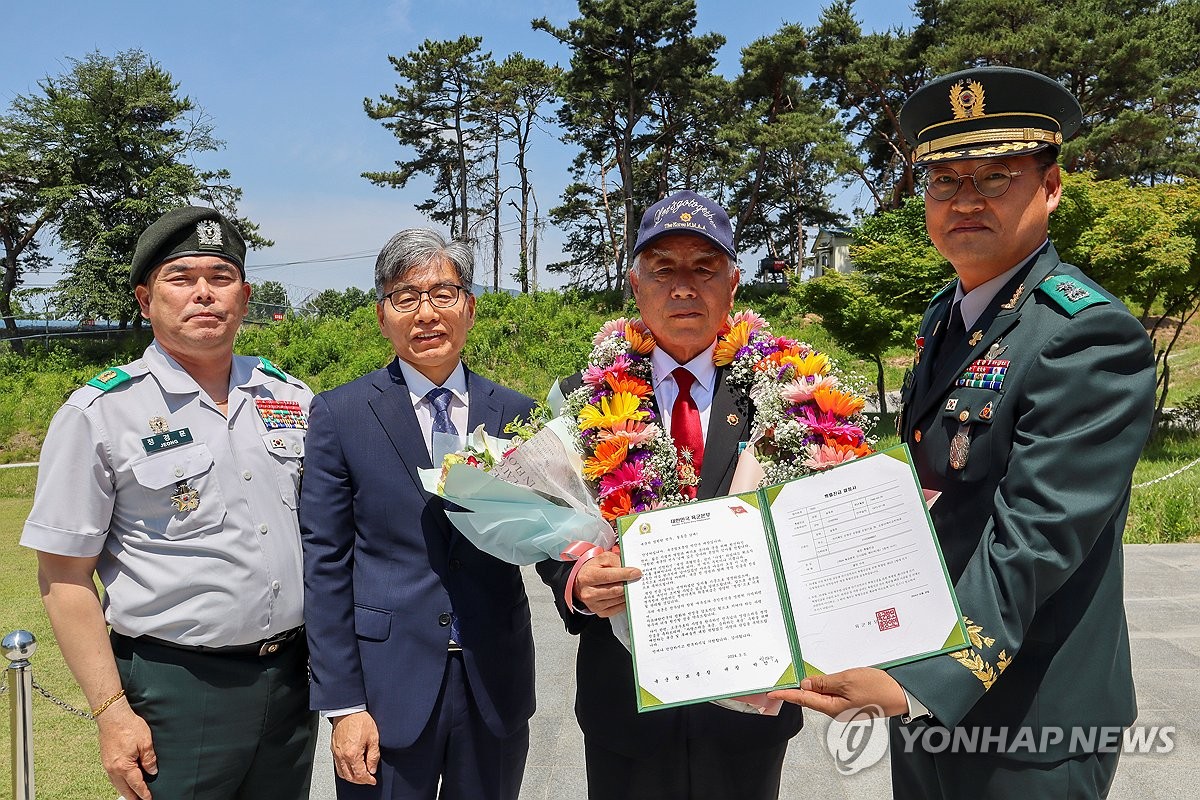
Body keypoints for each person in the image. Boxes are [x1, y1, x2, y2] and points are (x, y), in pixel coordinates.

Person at [770, 67, 1156, 799]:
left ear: (1052, 186)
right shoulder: (949, 319)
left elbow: (1035, 537)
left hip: (1029, 717)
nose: (965, 200)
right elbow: (940, 496)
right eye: (944, 180)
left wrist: (917, 679)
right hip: (928, 695)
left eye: (996, 176)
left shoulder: (1086, 335)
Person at [22, 206, 317, 800]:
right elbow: (63, 574)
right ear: (144, 298)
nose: (203, 294)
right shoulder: (101, 413)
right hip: (176, 688)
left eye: (220, 276)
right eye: (181, 279)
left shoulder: (292, 397)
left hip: (292, 680)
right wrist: (111, 712)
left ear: (245, 295)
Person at [537, 190, 803, 800]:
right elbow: (550, 524)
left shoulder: (784, 391)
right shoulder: (584, 398)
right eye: (664, 269)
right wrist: (577, 582)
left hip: (747, 701)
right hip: (627, 702)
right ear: (636, 286)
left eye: (703, 268)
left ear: (733, 286)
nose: (684, 286)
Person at [301, 228, 536, 800]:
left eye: (443, 293)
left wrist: (581, 571)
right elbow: (325, 563)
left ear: (470, 307)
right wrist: (344, 704)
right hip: (385, 688)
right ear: (382, 315)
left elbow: (544, 532)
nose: (426, 313)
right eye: (406, 297)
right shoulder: (341, 414)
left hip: (492, 679)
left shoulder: (515, 412)